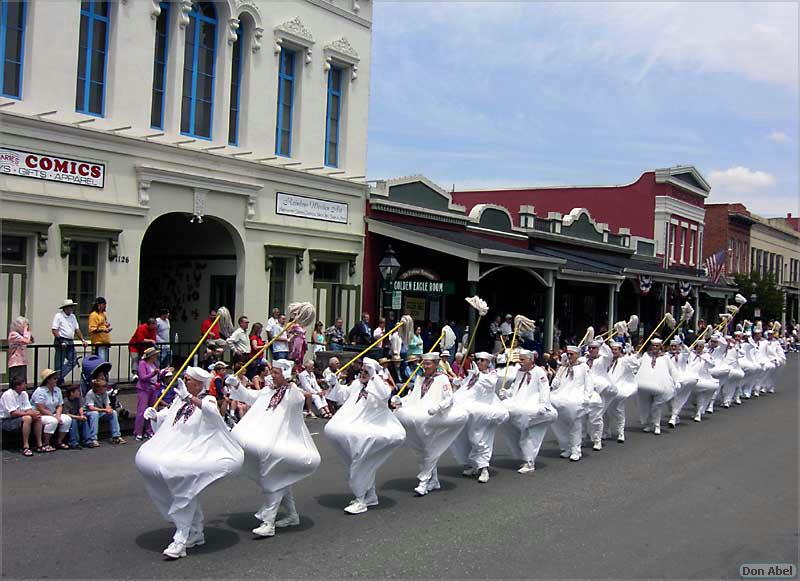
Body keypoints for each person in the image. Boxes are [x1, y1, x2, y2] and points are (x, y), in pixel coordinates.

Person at [137, 367, 244, 559]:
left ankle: (181, 539)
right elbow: (170, 417)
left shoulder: (207, 400)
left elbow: (212, 413)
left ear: (197, 383)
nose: (184, 382)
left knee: (184, 490)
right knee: (183, 489)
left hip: (197, 454)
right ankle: (195, 533)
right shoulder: (180, 399)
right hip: (176, 450)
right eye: (184, 379)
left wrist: (190, 399)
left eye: (187, 379)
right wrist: (156, 415)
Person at [227, 359, 321, 538]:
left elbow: (298, 399)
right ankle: (292, 515)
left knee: (274, 478)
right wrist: (237, 385)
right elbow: (249, 397)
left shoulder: (293, 394)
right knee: (280, 479)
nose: (272, 375)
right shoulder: (268, 390)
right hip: (268, 442)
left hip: (284, 445)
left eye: (276, 373)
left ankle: (268, 522)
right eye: (273, 372)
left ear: (285, 375)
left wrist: (290, 381)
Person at [324, 358, 406, 514]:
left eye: (366, 372)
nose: (362, 374)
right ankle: (370, 494)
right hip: (355, 429)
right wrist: (335, 383)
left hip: (374, 431)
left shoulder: (379, 386)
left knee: (361, 460)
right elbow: (342, 395)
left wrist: (374, 374)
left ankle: (360, 498)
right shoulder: (356, 384)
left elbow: (384, 394)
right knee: (364, 462)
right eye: (361, 371)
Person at [393, 352, 468, 496]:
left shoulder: (442, 379)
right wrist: (400, 400)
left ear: (436, 364)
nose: (425, 366)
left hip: (435, 418)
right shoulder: (420, 378)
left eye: (428, 364)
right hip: (420, 418)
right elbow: (413, 396)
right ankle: (434, 481)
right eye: (424, 363)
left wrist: (438, 407)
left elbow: (449, 398)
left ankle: (424, 481)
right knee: (424, 450)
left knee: (431, 449)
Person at [450, 352, 509, 483]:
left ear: (488, 362)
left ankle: (484, 468)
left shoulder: (491, 375)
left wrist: (476, 375)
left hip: (485, 412)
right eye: (478, 360)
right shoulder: (474, 374)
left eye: (482, 360)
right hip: (472, 412)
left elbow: (488, 384)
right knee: (468, 438)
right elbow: (468, 389)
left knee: (480, 439)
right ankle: (474, 465)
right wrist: (458, 383)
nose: (479, 362)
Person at [498, 349, 557, 473]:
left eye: (522, 359)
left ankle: (529, 462)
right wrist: (506, 393)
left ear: (531, 360)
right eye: (519, 359)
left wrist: (543, 404)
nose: (520, 362)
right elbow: (515, 388)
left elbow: (544, 389)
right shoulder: (519, 372)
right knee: (510, 424)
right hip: (519, 404)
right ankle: (524, 457)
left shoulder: (539, 372)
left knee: (531, 435)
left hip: (533, 406)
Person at [549, 346, 591, 461]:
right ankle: (566, 447)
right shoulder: (564, 367)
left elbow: (588, 383)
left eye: (572, 354)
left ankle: (576, 450)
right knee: (559, 422)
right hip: (561, 396)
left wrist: (587, 397)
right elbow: (556, 383)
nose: (569, 356)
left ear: (577, 355)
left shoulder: (583, 367)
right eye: (568, 354)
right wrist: (556, 378)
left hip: (575, 396)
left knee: (574, 423)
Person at [635, 338, 678, 434]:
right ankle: (649, 424)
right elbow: (638, 365)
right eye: (653, 345)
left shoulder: (665, 357)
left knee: (656, 405)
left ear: (660, 347)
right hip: (646, 383)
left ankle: (657, 424)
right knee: (646, 405)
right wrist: (634, 358)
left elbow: (672, 370)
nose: (655, 348)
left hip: (661, 384)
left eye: (657, 346)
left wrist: (676, 380)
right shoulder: (646, 355)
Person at [584, 339, 617, 451]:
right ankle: (583, 437)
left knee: (596, 416)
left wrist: (603, 344)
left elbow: (609, 355)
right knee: (582, 415)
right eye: (590, 348)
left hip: (600, 389)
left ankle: (597, 440)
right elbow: (568, 359)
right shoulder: (583, 359)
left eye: (594, 348)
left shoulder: (603, 359)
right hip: (585, 389)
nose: (592, 350)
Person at [0, 377, 43, 456]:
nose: (26, 385)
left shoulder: (24, 394)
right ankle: (26, 447)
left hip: (18, 418)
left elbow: (28, 408)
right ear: (17, 386)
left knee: (37, 416)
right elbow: (13, 413)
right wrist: (29, 413)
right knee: (27, 418)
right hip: (6, 421)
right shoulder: (8, 395)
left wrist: (34, 413)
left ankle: (39, 444)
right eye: (24, 384)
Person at [32, 368, 72, 451]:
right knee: (53, 421)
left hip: (53, 413)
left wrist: (57, 415)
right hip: (41, 415)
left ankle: (59, 441)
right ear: (48, 380)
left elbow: (59, 405)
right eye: (54, 379)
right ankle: (46, 443)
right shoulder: (40, 391)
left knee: (67, 419)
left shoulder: (57, 390)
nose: (56, 380)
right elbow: (40, 408)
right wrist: (54, 417)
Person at [51, 299, 87, 386]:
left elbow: (77, 329)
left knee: (73, 360)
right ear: (65, 308)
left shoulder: (73, 317)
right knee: (59, 362)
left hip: (70, 341)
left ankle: (57, 378)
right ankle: (58, 380)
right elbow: (54, 329)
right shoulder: (58, 316)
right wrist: (60, 340)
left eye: (72, 307)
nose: (71, 309)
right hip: (61, 340)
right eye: (70, 307)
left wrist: (82, 340)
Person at [85, 376, 125, 445]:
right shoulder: (90, 393)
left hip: (100, 411)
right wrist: (104, 409)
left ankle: (116, 436)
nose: (105, 388)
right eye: (103, 387)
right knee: (95, 413)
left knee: (113, 412)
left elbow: (107, 404)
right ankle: (93, 439)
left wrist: (109, 409)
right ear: (98, 388)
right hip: (89, 412)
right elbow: (91, 408)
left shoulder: (104, 393)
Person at [134, 347, 160, 441]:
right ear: (150, 356)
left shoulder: (154, 364)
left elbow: (157, 375)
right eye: (155, 355)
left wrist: (163, 372)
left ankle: (149, 430)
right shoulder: (142, 364)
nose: (156, 357)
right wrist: (153, 373)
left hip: (153, 389)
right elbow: (143, 377)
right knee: (142, 410)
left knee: (151, 410)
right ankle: (138, 431)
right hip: (144, 389)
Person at [63, 384, 91, 449]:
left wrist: (81, 415)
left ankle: (87, 440)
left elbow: (80, 407)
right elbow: (67, 414)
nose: (79, 393)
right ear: (72, 393)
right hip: (69, 418)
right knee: (73, 421)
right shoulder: (66, 401)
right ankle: (74, 442)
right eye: (77, 391)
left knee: (84, 419)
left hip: (77, 416)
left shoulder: (78, 398)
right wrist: (78, 417)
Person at [7, 316, 33, 384]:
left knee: (23, 383)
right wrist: (25, 330)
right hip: (16, 362)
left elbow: (31, 341)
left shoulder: (22, 335)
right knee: (17, 383)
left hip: (22, 361)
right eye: (25, 325)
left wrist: (27, 331)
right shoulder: (13, 334)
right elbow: (26, 341)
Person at [88, 297, 112, 362]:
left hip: (105, 343)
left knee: (105, 363)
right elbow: (92, 329)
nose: (105, 306)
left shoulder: (103, 314)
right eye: (104, 304)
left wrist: (106, 326)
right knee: (100, 363)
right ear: (99, 305)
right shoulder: (93, 315)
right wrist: (103, 330)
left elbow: (103, 325)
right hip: (98, 344)